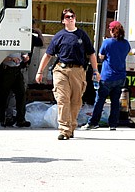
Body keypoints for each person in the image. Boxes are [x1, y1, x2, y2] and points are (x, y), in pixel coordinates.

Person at [35, 8, 98, 140]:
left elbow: (91, 54)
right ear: (63, 20)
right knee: (63, 100)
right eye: (67, 17)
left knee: (75, 101)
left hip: (78, 71)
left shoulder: (82, 35)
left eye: (72, 16)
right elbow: (48, 55)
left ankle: (71, 126)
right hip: (61, 70)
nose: (70, 18)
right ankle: (64, 130)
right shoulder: (59, 36)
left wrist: (96, 71)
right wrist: (40, 71)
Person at [82, 21, 131, 131]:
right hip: (121, 76)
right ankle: (113, 124)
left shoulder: (107, 42)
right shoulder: (126, 43)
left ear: (112, 30)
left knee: (99, 100)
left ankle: (93, 122)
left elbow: (101, 56)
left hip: (107, 76)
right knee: (115, 101)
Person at [0, 23, 44, 127]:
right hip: (6, 70)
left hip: (17, 69)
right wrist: (10, 59)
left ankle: (20, 119)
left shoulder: (19, 39)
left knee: (21, 94)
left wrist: (25, 56)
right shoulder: (3, 38)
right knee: (3, 96)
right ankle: (1, 119)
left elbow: (23, 52)